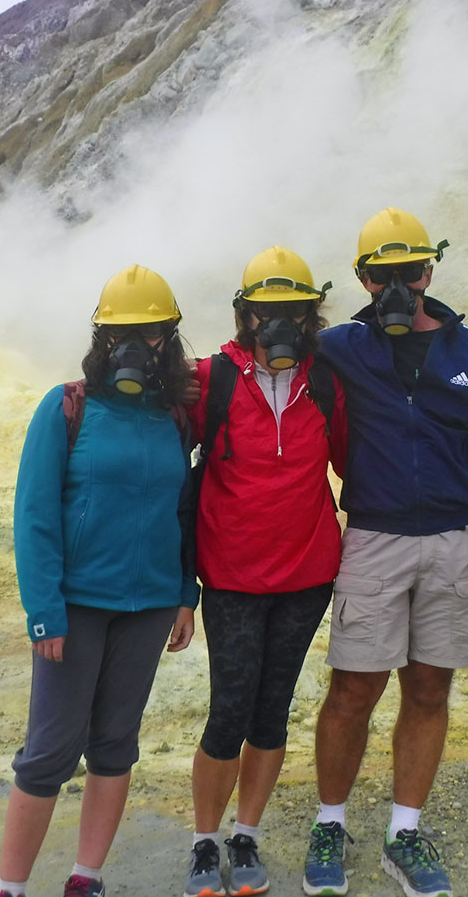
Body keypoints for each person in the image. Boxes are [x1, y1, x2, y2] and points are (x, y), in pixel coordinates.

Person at [302, 209, 468, 897]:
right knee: (352, 689)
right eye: (384, 275)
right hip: (373, 539)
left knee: (430, 688)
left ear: (431, 270)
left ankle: (404, 831)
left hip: (455, 543)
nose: (399, 286)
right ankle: (330, 822)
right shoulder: (339, 347)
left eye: (412, 272)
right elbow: (259, 367)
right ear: (363, 279)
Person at [0, 264, 199, 897]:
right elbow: (33, 517)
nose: (136, 348)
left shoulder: (176, 417)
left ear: (169, 339)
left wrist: (185, 595)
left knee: (115, 745)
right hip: (76, 609)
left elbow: (185, 513)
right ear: (101, 340)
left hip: (148, 609)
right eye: (120, 335)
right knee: (50, 753)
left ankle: (86, 879)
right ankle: (11, 888)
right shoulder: (66, 408)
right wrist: (44, 612)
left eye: (150, 334)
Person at [183, 246, 347, 897]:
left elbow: (355, 466)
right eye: (264, 313)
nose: (276, 325)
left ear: (312, 317)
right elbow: (155, 445)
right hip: (231, 578)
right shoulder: (212, 381)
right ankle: (203, 842)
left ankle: (245, 834)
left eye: (292, 313)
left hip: (306, 577)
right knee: (228, 713)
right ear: (243, 316)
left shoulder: (328, 383)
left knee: (271, 714)